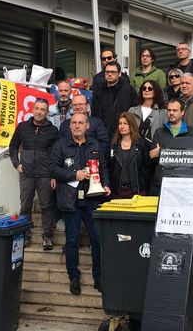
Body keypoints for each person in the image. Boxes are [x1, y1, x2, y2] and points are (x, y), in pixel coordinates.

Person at [49, 113, 110, 295]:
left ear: (87, 126)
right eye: (74, 123)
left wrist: (106, 183)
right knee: (72, 240)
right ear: (69, 126)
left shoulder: (95, 144)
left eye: (80, 123)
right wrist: (74, 175)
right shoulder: (60, 145)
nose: (77, 126)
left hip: (92, 198)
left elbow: (103, 167)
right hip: (70, 199)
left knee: (97, 240)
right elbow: (52, 168)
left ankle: (98, 277)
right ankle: (73, 277)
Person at [9, 98, 59, 249]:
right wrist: (16, 164)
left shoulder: (53, 130)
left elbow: (57, 154)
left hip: (45, 174)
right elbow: (13, 146)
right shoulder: (23, 127)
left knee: (46, 206)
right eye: (37, 108)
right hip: (27, 174)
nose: (39, 112)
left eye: (43, 109)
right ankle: (25, 236)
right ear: (32, 109)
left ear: (47, 112)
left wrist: (54, 175)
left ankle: (47, 236)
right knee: (25, 206)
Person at [148, 98, 193, 194]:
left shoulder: (192, 132)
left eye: (175, 110)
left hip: (184, 182)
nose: (171, 113)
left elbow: (191, 157)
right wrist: (179, 152)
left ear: (182, 112)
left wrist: (162, 152)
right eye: (169, 110)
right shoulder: (159, 132)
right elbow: (153, 157)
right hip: (161, 182)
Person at [109, 112, 151, 198]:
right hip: (117, 192)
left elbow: (148, 167)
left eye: (125, 123)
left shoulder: (141, 144)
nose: (122, 126)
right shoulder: (113, 146)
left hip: (137, 191)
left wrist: (143, 183)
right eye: (120, 123)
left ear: (131, 125)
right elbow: (109, 168)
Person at [91, 60, 136, 139]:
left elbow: (134, 112)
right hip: (101, 133)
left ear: (119, 74)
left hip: (122, 134)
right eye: (107, 72)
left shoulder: (128, 90)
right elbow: (94, 112)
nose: (109, 74)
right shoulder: (99, 90)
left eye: (113, 72)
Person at [128, 80, 167, 148]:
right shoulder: (132, 110)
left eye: (150, 88)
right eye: (144, 88)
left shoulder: (163, 112)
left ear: (156, 91)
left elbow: (165, 134)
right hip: (134, 149)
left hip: (154, 149)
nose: (146, 90)